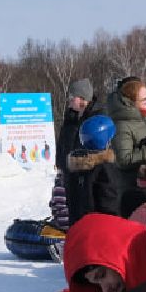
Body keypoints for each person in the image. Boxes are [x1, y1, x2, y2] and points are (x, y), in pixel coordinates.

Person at [50, 79, 98, 229]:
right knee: (62, 202)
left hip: (82, 172)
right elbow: (64, 142)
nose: (69, 102)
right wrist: (60, 163)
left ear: (83, 99)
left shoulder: (94, 119)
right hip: (67, 171)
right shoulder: (71, 118)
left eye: (73, 98)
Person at [64, 115, 126, 226]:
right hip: (101, 231)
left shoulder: (75, 166)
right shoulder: (104, 169)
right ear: (107, 141)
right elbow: (109, 207)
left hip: (79, 230)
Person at [104, 78, 146, 175]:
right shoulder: (122, 126)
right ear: (131, 102)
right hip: (133, 186)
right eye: (144, 100)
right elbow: (123, 160)